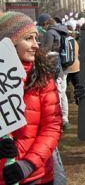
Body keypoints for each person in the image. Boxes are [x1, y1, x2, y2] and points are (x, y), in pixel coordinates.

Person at [0, 11, 62, 185]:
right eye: (28, 38)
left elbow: (52, 126)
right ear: (8, 43)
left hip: (36, 176)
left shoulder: (42, 77)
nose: (36, 45)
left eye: (36, 38)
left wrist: (27, 165)